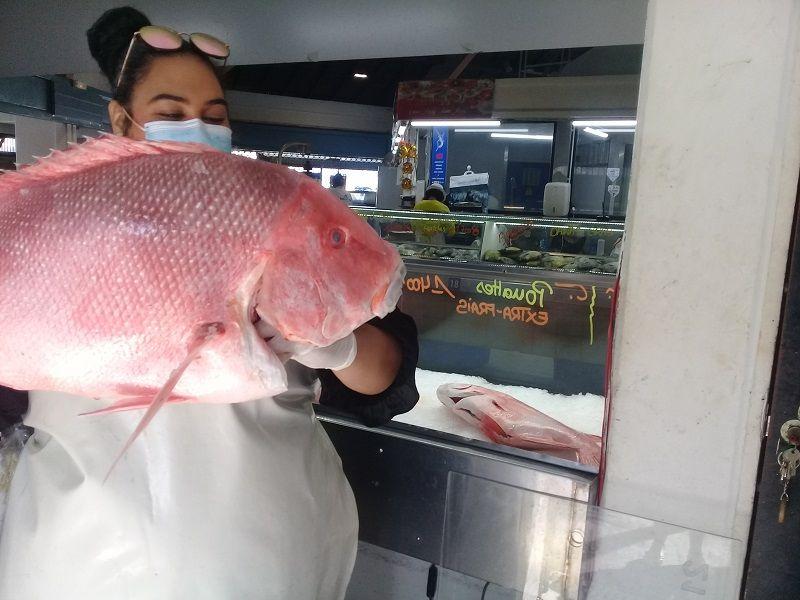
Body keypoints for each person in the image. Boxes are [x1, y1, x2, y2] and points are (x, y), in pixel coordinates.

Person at [0, 7, 418, 600]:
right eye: (170, 115)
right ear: (121, 120)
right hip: (81, 567)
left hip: (271, 562)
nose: (195, 129)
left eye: (213, 117)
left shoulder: (272, 209)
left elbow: (389, 379)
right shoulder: (60, 211)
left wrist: (339, 345)